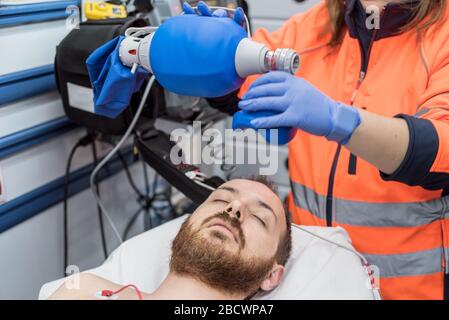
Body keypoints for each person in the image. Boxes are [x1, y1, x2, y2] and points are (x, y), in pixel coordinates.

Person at [185, 0, 449, 299]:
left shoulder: (442, 35)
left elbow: (439, 148)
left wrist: (338, 120)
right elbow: (238, 86)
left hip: (408, 287)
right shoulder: (317, 25)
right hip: (311, 276)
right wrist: (213, 48)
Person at [49, 178, 292, 300]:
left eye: (260, 218)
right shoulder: (83, 290)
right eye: (220, 200)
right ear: (184, 226)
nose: (235, 207)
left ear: (271, 275)